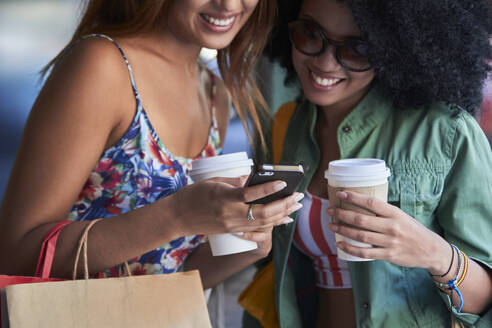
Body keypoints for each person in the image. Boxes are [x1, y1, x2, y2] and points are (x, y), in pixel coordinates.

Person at [0, 0, 305, 293]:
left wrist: (250, 245)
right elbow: (16, 255)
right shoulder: (101, 65)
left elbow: (169, 272)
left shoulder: (213, 93)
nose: (228, 4)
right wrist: (177, 216)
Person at [248, 0, 492, 327]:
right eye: (310, 33)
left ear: (393, 49)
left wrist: (435, 254)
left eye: (357, 48)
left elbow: (486, 301)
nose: (324, 61)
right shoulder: (287, 127)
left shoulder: (444, 133)